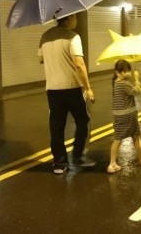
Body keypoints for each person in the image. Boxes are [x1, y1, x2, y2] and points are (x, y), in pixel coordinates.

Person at [39, 13, 95, 174]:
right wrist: (88, 88)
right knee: (83, 121)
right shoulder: (73, 37)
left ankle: (59, 163)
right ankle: (78, 156)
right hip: (73, 88)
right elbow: (79, 64)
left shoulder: (45, 36)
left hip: (53, 90)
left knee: (56, 127)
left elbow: (41, 59)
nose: (76, 20)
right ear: (69, 19)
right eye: (75, 17)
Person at [107, 59, 141, 174]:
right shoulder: (125, 83)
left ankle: (113, 163)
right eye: (124, 71)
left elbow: (132, 91)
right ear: (117, 73)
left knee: (119, 139)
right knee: (135, 136)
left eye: (129, 70)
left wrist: (136, 85)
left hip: (119, 116)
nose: (128, 73)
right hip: (128, 116)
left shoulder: (116, 83)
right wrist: (137, 79)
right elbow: (137, 92)